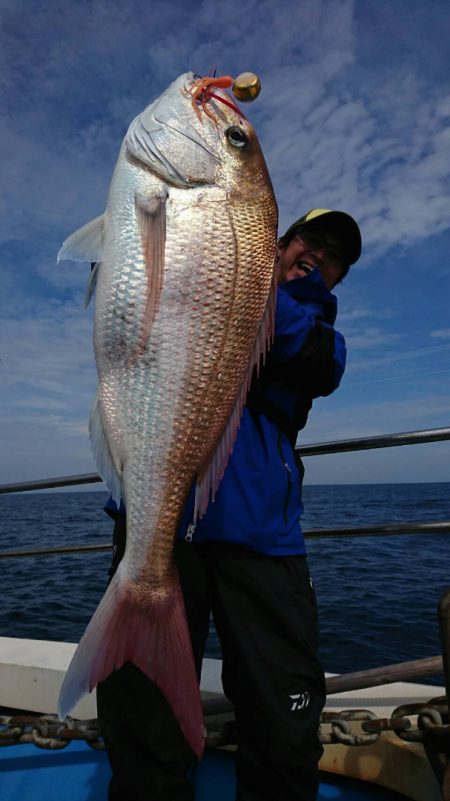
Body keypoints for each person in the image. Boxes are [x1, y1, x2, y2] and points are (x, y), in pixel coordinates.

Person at [97, 208, 362, 801]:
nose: (317, 255)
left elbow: (313, 360)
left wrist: (232, 279)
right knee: (144, 726)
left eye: (334, 256)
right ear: (279, 241)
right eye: (308, 240)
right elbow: (132, 290)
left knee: (283, 726)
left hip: (260, 539)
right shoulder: (202, 277)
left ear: (339, 279)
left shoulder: (323, 340)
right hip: (159, 528)